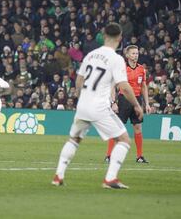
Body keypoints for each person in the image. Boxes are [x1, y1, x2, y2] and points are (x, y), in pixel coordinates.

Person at [51, 23, 143, 189]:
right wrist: (137, 105)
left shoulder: (91, 55)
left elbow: (79, 80)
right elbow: (123, 86)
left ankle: (59, 175)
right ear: (120, 38)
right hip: (99, 106)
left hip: (83, 105)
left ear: (104, 36)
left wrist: (81, 98)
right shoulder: (116, 59)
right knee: (124, 140)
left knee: (74, 139)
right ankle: (110, 178)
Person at [105, 45, 151, 163]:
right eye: (133, 53)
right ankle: (109, 155)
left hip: (137, 100)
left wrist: (147, 104)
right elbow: (113, 86)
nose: (135, 55)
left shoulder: (142, 69)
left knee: (138, 127)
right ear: (127, 55)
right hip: (123, 100)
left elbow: (144, 87)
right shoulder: (121, 68)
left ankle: (139, 156)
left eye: (137, 53)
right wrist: (113, 102)